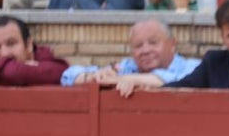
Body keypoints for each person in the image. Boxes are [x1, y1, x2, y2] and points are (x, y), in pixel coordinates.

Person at [60, 18, 200, 96]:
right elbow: (68, 75)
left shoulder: (192, 66)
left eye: (153, 43)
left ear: (172, 44)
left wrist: (119, 80)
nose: (145, 50)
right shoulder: (128, 66)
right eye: (138, 46)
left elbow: (173, 81)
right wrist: (94, 76)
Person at [0, 15, 69, 86]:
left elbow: (11, 72)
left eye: (11, 44)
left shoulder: (52, 66)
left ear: (29, 45)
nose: (4, 54)